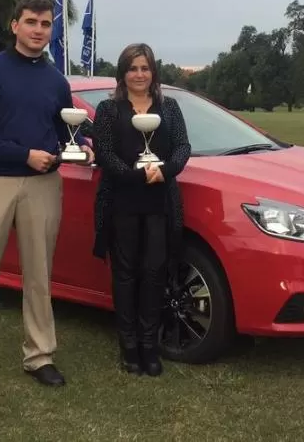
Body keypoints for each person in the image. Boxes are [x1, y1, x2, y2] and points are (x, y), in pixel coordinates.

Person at [0, 0, 94, 397]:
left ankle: (40, 355)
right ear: (15, 25)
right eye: (31, 22)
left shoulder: (56, 81)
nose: (38, 31)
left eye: (45, 25)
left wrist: (84, 145)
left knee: (39, 274)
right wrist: (23, 155)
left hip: (44, 186)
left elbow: (65, 133)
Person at [91, 43, 191, 377]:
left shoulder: (170, 107)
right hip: (122, 202)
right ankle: (129, 347)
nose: (139, 74)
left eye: (145, 68)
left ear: (153, 73)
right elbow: (104, 153)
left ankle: (151, 346)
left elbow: (182, 146)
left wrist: (166, 170)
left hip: (160, 203)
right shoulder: (108, 109)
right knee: (125, 275)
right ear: (123, 73)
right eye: (133, 68)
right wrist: (136, 174)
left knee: (153, 274)